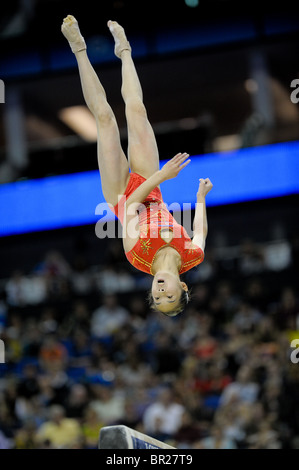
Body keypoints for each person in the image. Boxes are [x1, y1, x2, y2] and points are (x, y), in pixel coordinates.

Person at [61, 16, 213, 316]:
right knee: (137, 111)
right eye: (168, 296)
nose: (159, 293)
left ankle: (78, 48)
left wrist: (162, 174)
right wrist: (200, 199)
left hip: (121, 196)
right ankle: (125, 50)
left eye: (156, 299)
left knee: (105, 120)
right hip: (153, 190)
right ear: (182, 287)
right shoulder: (193, 256)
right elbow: (200, 232)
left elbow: (130, 207)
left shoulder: (137, 257)